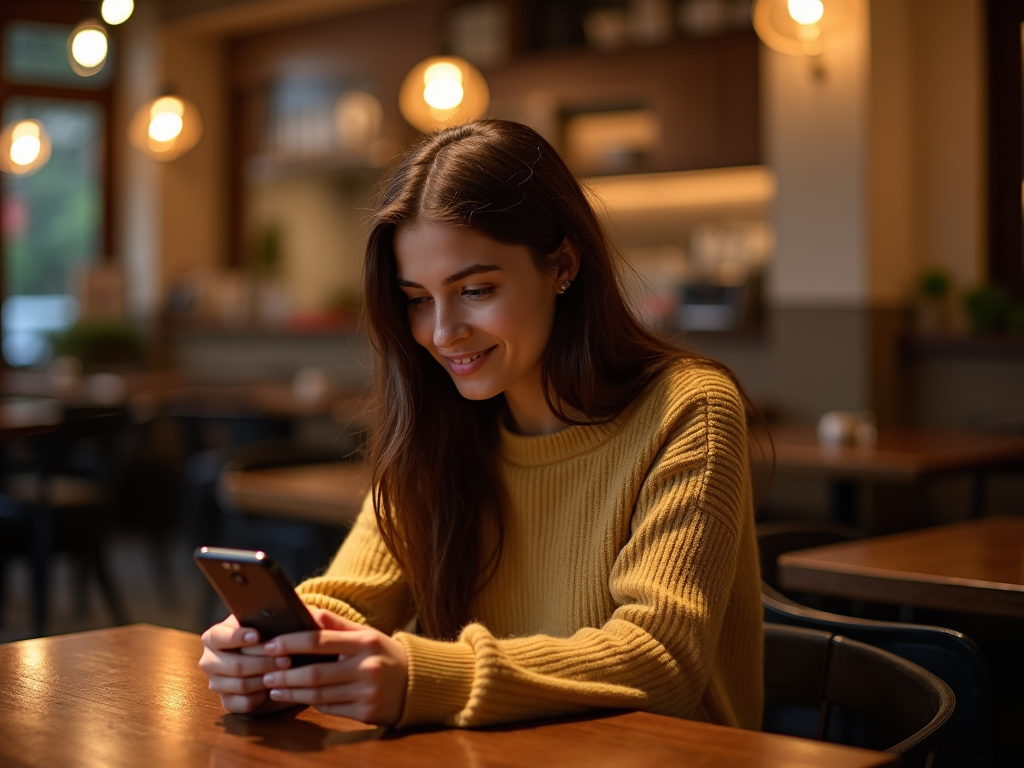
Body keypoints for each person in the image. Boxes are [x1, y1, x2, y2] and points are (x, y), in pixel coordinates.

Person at [199, 118, 764, 731]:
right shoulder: (441, 422)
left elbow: (660, 662)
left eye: (475, 290)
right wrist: (269, 649)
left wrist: (421, 678)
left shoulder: (689, 408)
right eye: (417, 299)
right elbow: (353, 596)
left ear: (563, 265)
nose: (442, 334)